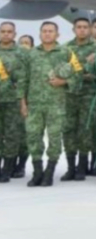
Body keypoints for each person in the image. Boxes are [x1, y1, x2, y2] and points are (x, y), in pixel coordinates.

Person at [20, 21, 82, 187]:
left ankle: (49, 172)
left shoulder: (66, 52)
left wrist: (64, 82)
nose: (47, 34)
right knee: (33, 137)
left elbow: (78, 76)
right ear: (40, 34)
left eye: (51, 31)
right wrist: (23, 103)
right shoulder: (30, 54)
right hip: (34, 104)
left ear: (57, 34)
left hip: (57, 104)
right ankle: (37, 172)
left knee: (54, 139)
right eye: (44, 31)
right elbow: (23, 80)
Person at [61, 18, 96, 182]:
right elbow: (62, 72)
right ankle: (71, 167)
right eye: (79, 27)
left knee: (86, 131)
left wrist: (84, 75)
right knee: (68, 130)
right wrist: (80, 75)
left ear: (90, 29)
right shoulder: (65, 48)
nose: (82, 30)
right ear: (73, 29)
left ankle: (82, 166)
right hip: (70, 95)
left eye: (86, 27)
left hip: (89, 95)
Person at [0, 22, 29, 182]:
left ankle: (8, 169)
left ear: (14, 34)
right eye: (3, 31)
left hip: (13, 100)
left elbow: (26, 77)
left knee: (12, 135)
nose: (5, 34)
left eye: (9, 32)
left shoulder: (22, 53)